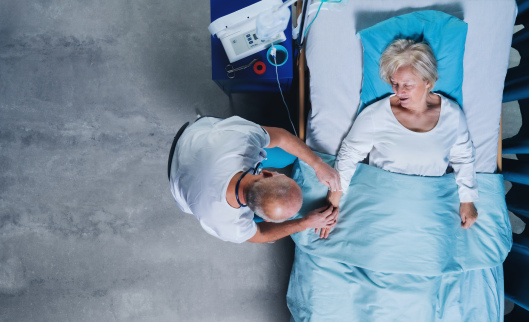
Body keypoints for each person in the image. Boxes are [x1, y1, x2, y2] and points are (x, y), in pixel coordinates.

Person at [324, 39, 479, 238]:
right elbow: (348, 156)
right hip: (385, 204)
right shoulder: (376, 115)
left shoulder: (452, 115)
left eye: (407, 85)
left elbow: (464, 157)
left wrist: (467, 202)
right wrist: (333, 204)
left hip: (429, 207)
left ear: (428, 82)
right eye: (395, 84)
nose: (399, 91)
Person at [169, 116, 341, 244]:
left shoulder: (242, 141)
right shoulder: (231, 226)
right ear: (265, 172)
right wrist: (304, 223)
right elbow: (261, 235)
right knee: (287, 155)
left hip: (197, 143)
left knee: (287, 155)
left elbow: (281, 136)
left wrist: (318, 165)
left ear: (267, 173)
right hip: (182, 169)